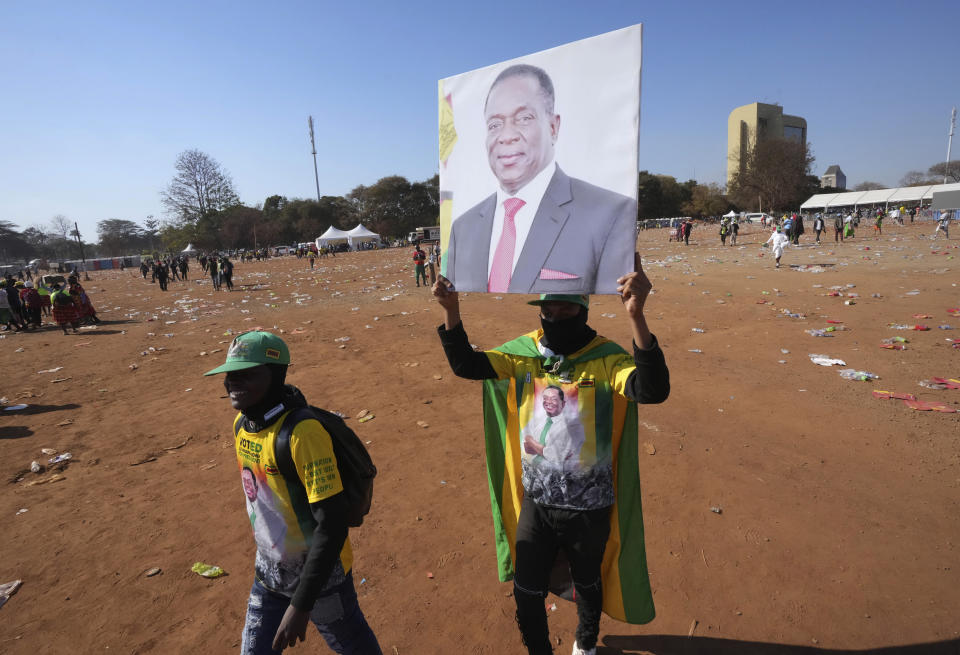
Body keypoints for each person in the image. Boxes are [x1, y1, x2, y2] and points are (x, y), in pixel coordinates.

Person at [433, 254, 669, 655]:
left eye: (565, 309)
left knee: (587, 583)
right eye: (548, 309)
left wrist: (637, 317)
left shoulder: (606, 358)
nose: (555, 316)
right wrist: (452, 312)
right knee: (526, 590)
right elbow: (465, 365)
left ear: (582, 310)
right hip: (538, 503)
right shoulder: (524, 353)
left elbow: (652, 389)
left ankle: (585, 641)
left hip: (589, 505)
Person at [204, 332, 383, 655]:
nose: (233, 383)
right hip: (269, 572)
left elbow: (332, 523)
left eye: (247, 374)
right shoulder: (241, 426)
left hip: (321, 577)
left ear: (276, 375)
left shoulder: (301, 435)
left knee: (353, 645)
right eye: (230, 375)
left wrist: (301, 605)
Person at [444, 64, 635, 295]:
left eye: (524, 118)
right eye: (495, 125)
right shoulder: (463, 228)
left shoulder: (609, 214)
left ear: (553, 127)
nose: (506, 136)